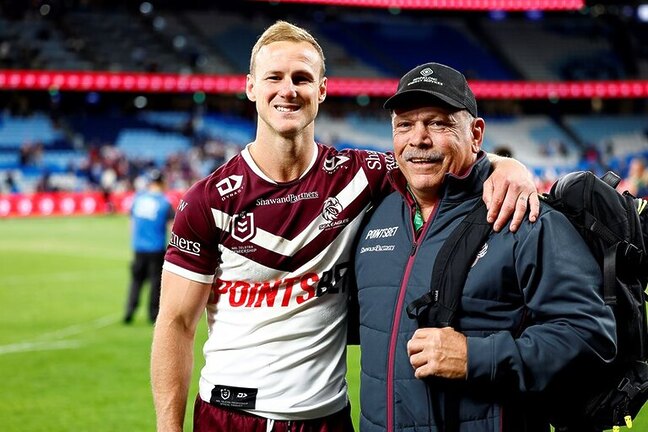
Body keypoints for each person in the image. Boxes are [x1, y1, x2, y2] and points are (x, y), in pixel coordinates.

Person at [150, 21, 540, 432]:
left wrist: (507, 165)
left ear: (321, 89)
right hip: (228, 415)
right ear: (250, 87)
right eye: (274, 78)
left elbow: (442, 159)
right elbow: (176, 322)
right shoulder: (208, 199)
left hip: (327, 419)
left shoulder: (360, 175)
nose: (288, 90)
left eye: (302, 78)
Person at [353, 62, 617, 432]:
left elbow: (590, 338)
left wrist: (476, 356)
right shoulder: (375, 214)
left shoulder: (525, 217)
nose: (418, 139)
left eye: (438, 123)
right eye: (405, 124)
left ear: (476, 134)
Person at [123, 169, 174, 324]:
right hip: (156, 247)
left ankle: (129, 311)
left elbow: (131, 224)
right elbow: (172, 228)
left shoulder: (138, 199)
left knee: (136, 280)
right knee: (155, 282)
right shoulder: (164, 203)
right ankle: (153, 314)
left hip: (139, 247)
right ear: (162, 183)